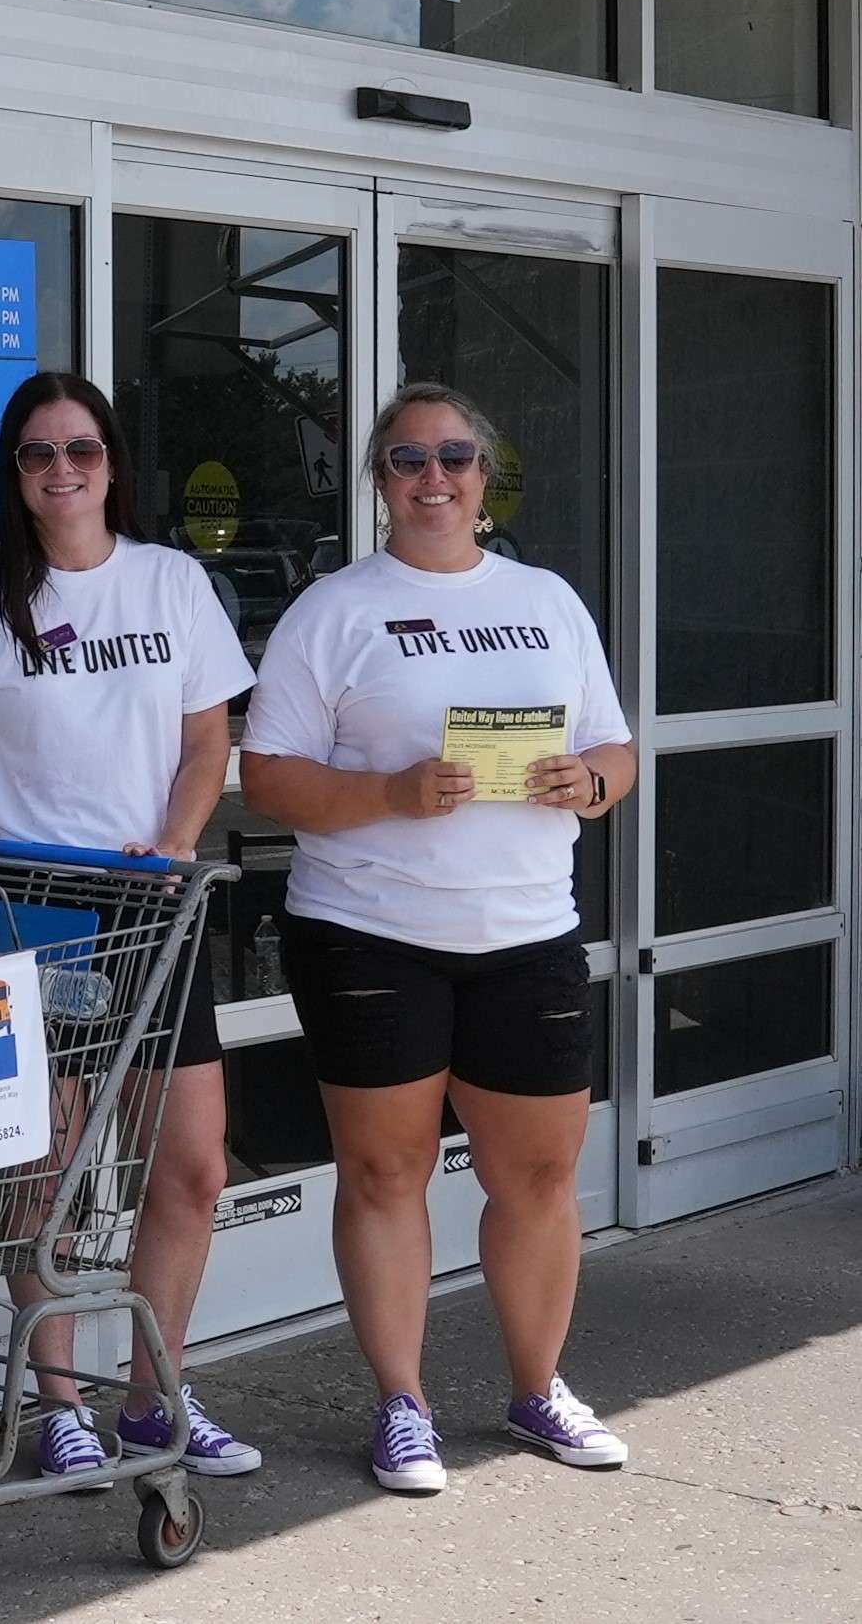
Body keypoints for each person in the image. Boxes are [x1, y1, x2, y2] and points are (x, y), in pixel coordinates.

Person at [239, 382, 637, 1495]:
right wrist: (390, 794)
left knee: (540, 1173)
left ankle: (535, 1387)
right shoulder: (333, 607)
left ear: (482, 474)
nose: (433, 477)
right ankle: (401, 1402)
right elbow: (266, 775)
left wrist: (589, 779)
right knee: (383, 1171)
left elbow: (615, 745)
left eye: (454, 456)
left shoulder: (546, 598)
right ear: (377, 479)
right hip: (370, 931)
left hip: (525, 928)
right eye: (407, 459)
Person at [0, 370, 261, 1485]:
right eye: (38, 453)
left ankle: (152, 1398)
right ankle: (57, 1407)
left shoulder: (171, 583)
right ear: (13, 471)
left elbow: (207, 742)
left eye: (80, 451)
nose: (61, 470)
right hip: (22, 905)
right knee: (38, 1180)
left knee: (188, 1170)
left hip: (149, 901)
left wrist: (174, 840)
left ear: (111, 465)